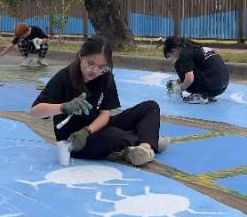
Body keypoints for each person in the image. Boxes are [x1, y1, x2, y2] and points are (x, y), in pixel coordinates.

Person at [30, 36, 169, 166]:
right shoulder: (64, 78)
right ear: (80, 56)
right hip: (74, 140)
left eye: (102, 67)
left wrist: (87, 131)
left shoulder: (106, 77)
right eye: (90, 63)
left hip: (94, 128)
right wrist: (63, 107)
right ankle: (150, 138)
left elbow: (105, 115)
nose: (94, 70)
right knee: (114, 136)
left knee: (151, 107)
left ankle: (145, 148)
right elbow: (35, 112)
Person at [162, 37, 229, 104]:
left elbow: (190, 78)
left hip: (210, 86)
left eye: (171, 56)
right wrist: (181, 81)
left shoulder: (184, 54)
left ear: (174, 50)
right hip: (222, 86)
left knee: (178, 64)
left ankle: (200, 95)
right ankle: (208, 95)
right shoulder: (197, 48)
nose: (173, 58)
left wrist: (179, 88)